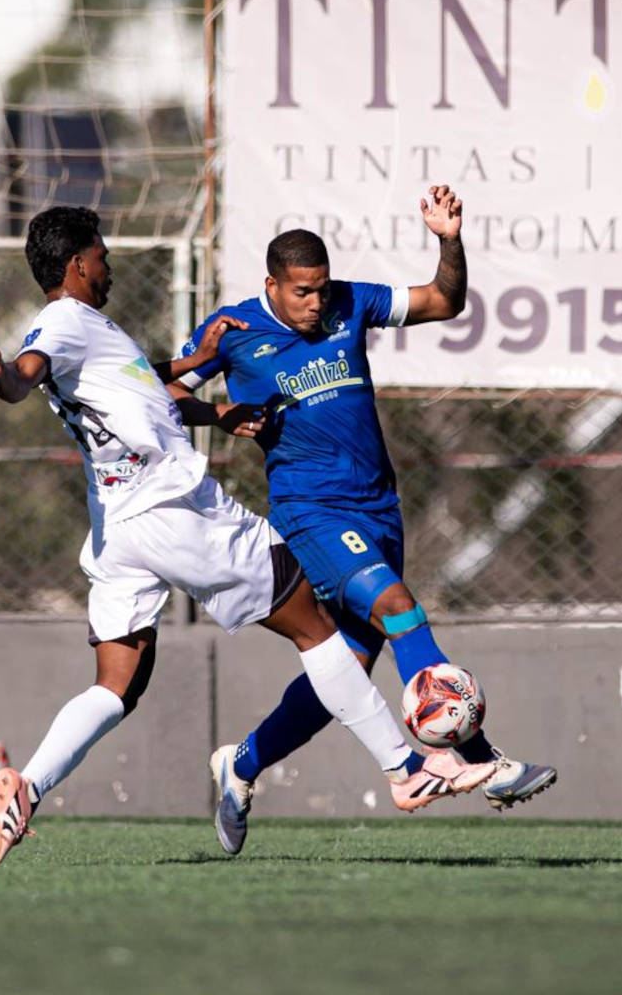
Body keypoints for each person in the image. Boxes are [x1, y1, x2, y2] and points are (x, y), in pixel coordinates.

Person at [0, 205, 500, 868]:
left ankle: (27, 787)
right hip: (174, 509)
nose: (109, 265)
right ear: (76, 264)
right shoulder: (68, 321)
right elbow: (27, 372)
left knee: (118, 683)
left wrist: (213, 400)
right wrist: (4, 375)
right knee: (316, 626)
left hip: (116, 527)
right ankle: (405, 769)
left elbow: (143, 390)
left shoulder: (90, 331)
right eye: (101, 255)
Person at [163, 186, 557, 856]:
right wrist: (218, 413)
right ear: (272, 285)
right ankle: (477, 758)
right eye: (302, 293)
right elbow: (163, 390)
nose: (316, 303)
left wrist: (449, 241)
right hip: (310, 511)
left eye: (321, 289)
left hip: (378, 507)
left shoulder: (351, 301)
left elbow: (444, 301)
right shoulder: (232, 329)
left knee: (342, 674)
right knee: (399, 607)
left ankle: (241, 764)